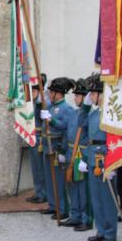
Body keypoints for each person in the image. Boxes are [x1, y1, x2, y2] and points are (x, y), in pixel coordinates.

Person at [79, 74, 118, 241]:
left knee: (107, 198)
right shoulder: (93, 114)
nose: (91, 97)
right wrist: (85, 107)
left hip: (106, 158)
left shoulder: (112, 113)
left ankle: (110, 233)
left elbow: (115, 140)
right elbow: (82, 126)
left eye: (93, 94)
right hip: (93, 158)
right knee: (96, 198)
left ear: (102, 94)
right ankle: (101, 230)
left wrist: (113, 163)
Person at [39, 77, 75, 220]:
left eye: (52, 92)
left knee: (59, 180)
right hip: (47, 145)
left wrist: (52, 120)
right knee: (49, 178)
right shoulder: (49, 107)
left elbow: (66, 128)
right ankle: (53, 205)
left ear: (59, 93)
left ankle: (62, 208)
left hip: (57, 145)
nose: (49, 94)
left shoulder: (67, 109)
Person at [60, 78, 92, 230]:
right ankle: (75, 215)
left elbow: (91, 138)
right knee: (72, 186)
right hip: (70, 152)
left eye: (78, 96)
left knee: (83, 189)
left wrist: (86, 157)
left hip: (82, 153)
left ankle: (86, 218)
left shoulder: (89, 114)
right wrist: (62, 151)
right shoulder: (73, 113)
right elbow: (67, 132)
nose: (75, 98)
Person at [26, 73, 48, 204]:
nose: (32, 93)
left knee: (41, 168)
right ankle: (38, 191)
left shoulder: (43, 102)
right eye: (31, 91)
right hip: (32, 136)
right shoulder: (32, 103)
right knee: (35, 168)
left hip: (39, 138)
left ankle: (44, 193)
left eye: (34, 91)